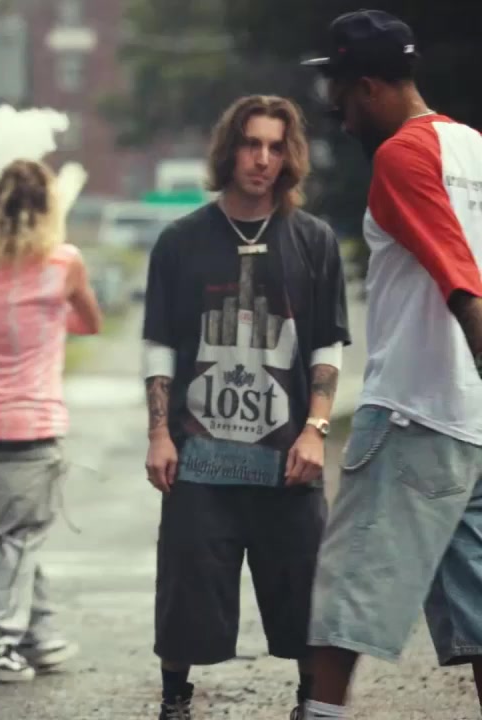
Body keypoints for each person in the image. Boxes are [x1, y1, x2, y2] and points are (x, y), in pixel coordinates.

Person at [141, 94, 351, 719]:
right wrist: (159, 433)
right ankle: (175, 699)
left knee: (304, 586)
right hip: (200, 459)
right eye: (251, 144)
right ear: (229, 150)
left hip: (287, 457)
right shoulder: (180, 241)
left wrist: (316, 429)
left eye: (275, 147)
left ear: (290, 157)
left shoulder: (313, 241)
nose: (262, 159)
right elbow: (158, 342)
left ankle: (310, 702)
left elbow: (327, 342)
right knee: (185, 588)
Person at [300, 11, 482, 719]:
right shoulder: (473, 147)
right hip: (471, 424)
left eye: (341, 96)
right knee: (479, 614)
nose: (340, 115)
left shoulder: (402, 155)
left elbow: (456, 273)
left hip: (413, 410)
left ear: (370, 86)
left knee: (344, 591)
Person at [0, 158, 101, 683]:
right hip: (33, 427)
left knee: (15, 536)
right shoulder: (64, 263)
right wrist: (51, 313)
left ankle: (40, 635)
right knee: (19, 538)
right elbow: (90, 322)